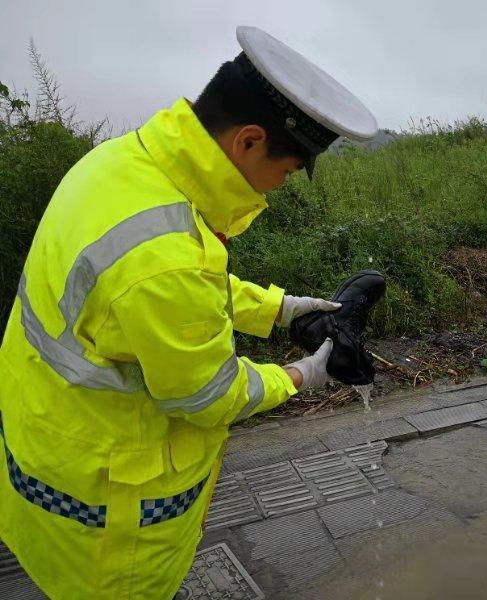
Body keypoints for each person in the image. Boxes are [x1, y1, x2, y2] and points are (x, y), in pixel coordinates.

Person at [0, 26, 377, 599]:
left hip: (53, 452)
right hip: (113, 524)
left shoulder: (121, 167)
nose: (278, 187)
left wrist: (282, 310)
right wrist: (307, 373)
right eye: (289, 169)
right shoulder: (165, 256)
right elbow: (207, 395)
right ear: (248, 141)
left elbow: (169, 295)